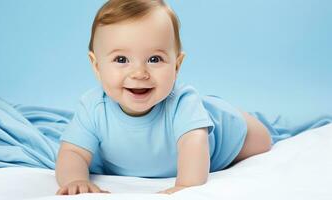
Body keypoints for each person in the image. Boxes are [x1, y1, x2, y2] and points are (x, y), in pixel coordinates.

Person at [55, 0, 271, 195]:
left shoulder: (182, 103)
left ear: (177, 65)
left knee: (263, 140)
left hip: (221, 138)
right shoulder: (93, 107)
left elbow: (193, 145)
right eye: (121, 59)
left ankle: (230, 114)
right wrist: (75, 179)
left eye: (154, 59)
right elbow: (72, 152)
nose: (139, 73)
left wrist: (185, 186)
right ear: (96, 65)